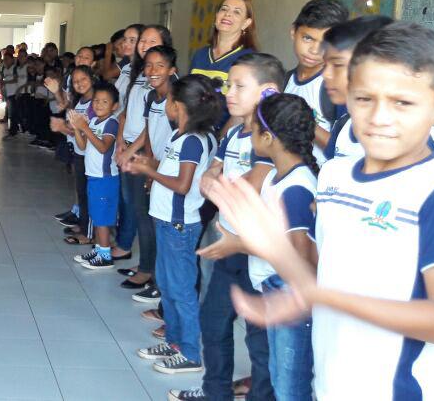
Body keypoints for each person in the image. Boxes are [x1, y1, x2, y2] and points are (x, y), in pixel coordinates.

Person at [209, 22, 434, 400]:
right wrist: (273, 249)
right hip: (333, 384)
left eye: (403, 102)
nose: (380, 117)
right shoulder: (336, 174)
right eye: (365, 99)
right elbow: (324, 274)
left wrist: (323, 296)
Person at [201, 92, 320, 400]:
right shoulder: (277, 178)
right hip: (269, 284)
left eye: (253, 130)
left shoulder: (295, 188)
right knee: (270, 368)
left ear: (268, 137)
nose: (249, 135)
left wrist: (240, 244)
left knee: (286, 384)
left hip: (287, 294)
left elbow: (301, 260)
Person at [191, 53, 284, 401]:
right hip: (228, 242)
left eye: (239, 86)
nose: (228, 92)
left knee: (259, 341)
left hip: (256, 250)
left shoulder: (269, 136)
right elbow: (211, 172)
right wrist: (214, 182)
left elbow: (255, 182)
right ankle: (215, 392)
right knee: (213, 324)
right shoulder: (233, 131)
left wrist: (218, 187)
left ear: (267, 92)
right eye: (229, 84)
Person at [127, 75, 221, 376]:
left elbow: (182, 185)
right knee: (167, 286)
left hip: (179, 224)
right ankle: (174, 342)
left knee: (181, 290)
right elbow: (169, 169)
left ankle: (190, 353)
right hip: (166, 220)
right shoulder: (180, 136)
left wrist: (148, 173)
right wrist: (146, 164)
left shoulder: (194, 141)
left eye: (169, 100)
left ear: (178, 106)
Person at [322, 15, 434, 160]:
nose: (325, 74)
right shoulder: (343, 126)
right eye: (325, 64)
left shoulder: (418, 140)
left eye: (338, 65)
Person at [114, 26, 173, 295]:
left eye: (152, 40)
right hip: (135, 149)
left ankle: (151, 273)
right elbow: (129, 112)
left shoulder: (170, 84)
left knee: (147, 214)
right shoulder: (142, 76)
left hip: (152, 158)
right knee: (138, 210)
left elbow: (157, 130)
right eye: (142, 40)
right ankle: (145, 267)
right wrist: (121, 144)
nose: (144, 44)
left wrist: (145, 158)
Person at [283, 0, 350, 164]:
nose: (314, 50)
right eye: (307, 38)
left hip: (319, 183)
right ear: (293, 32)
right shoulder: (282, 81)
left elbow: (344, 152)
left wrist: (306, 123)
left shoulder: (337, 88)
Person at [68, 83, 121, 270]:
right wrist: (77, 128)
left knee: (102, 218)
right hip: (93, 176)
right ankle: (99, 249)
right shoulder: (94, 121)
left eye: (104, 101)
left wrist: (86, 128)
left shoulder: (111, 122)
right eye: (96, 101)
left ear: (114, 106)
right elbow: (82, 146)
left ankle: (105, 255)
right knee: (96, 215)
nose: (98, 104)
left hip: (105, 179)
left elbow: (103, 147)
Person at [51, 66, 97, 244]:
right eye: (76, 81)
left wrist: (64, 128)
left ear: (92, 78)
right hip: (80, 153)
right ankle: (84, 226)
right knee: (82, 192)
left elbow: (86, 132)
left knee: (89, 194)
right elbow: (75, 124)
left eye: (83, 79)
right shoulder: (81, 101)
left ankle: (89, 234)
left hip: (90, 156)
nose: (79, 84)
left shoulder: (96, 102)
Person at [190, 0, 258, 87]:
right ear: (217, 15)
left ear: (246, 23)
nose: (227, 14)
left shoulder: (249, 59)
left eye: (236, 12)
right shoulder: (200, 55)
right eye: (224, 9)